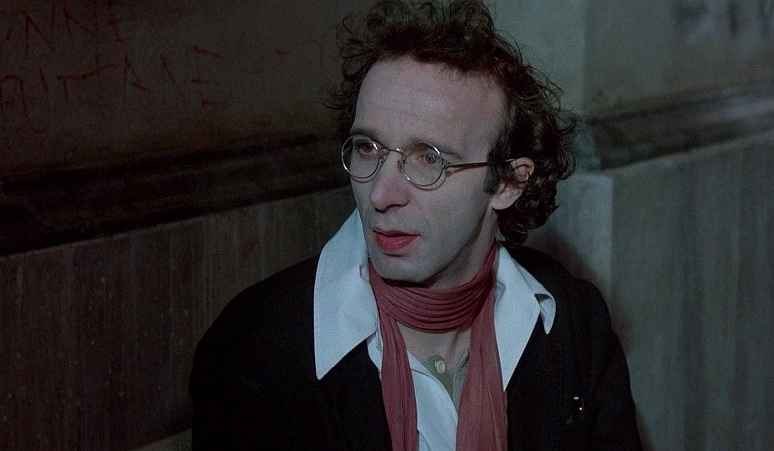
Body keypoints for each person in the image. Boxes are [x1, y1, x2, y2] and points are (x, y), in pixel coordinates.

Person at [189, 1, 642, 449]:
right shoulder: (256, 349)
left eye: (429, 159)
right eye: (367, 148)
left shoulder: (572, 323)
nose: (381, 195)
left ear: (507, 183)